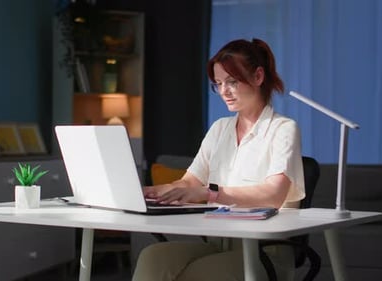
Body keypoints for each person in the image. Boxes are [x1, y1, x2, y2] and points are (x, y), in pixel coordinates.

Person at [131, 38, 305, 281]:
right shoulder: (220, 128)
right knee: (153, 258)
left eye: (232, 81)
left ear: (258, 76)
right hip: (219, 242)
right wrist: (150, 191)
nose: (224, 91)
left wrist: (210, 193)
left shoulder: (283, 128)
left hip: (264, 251)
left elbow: (274, 194)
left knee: (195, 275)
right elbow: (190, 182)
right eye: (218, 83)